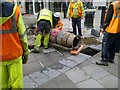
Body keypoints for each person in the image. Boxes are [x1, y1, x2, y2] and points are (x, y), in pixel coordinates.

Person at [0, 0, 30, 88]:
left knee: (2, 85)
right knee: (17, 84)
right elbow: (22, 35)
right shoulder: (15, 11)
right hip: (14, 54)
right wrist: (26, 52)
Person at [96, 0, 120, 66]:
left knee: (105, 44)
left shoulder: (113, 5)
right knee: (113, 44)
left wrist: (103, 27)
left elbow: (108, 18)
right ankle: (111, 58)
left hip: (111, 28)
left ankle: (104, 59)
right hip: (118, 29)